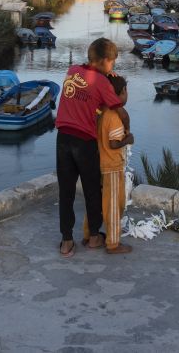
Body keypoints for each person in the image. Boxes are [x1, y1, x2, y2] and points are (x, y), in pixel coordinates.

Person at [55, 37, 130, 258]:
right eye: (112, 63)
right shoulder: (102, 83)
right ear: (106, 61)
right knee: (92, 190)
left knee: (66, 192)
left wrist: (104, 77)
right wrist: (128, 131)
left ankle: (66, 242)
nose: (113, 67)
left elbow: (87, 88)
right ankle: (95, 237)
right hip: (84, 142)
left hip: (62, 138)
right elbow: (119, 108)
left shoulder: (72, 70)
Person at [88, 74, 134, 254]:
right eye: (126, 91)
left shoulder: (101, 112)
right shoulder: (114, 117)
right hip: (112, 166)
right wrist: (127, 139)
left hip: (99, 163)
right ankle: (113, 243)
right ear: (122, 92)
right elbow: (114, 143)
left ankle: (89, 234)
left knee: (98, 202)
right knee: (115, 204)